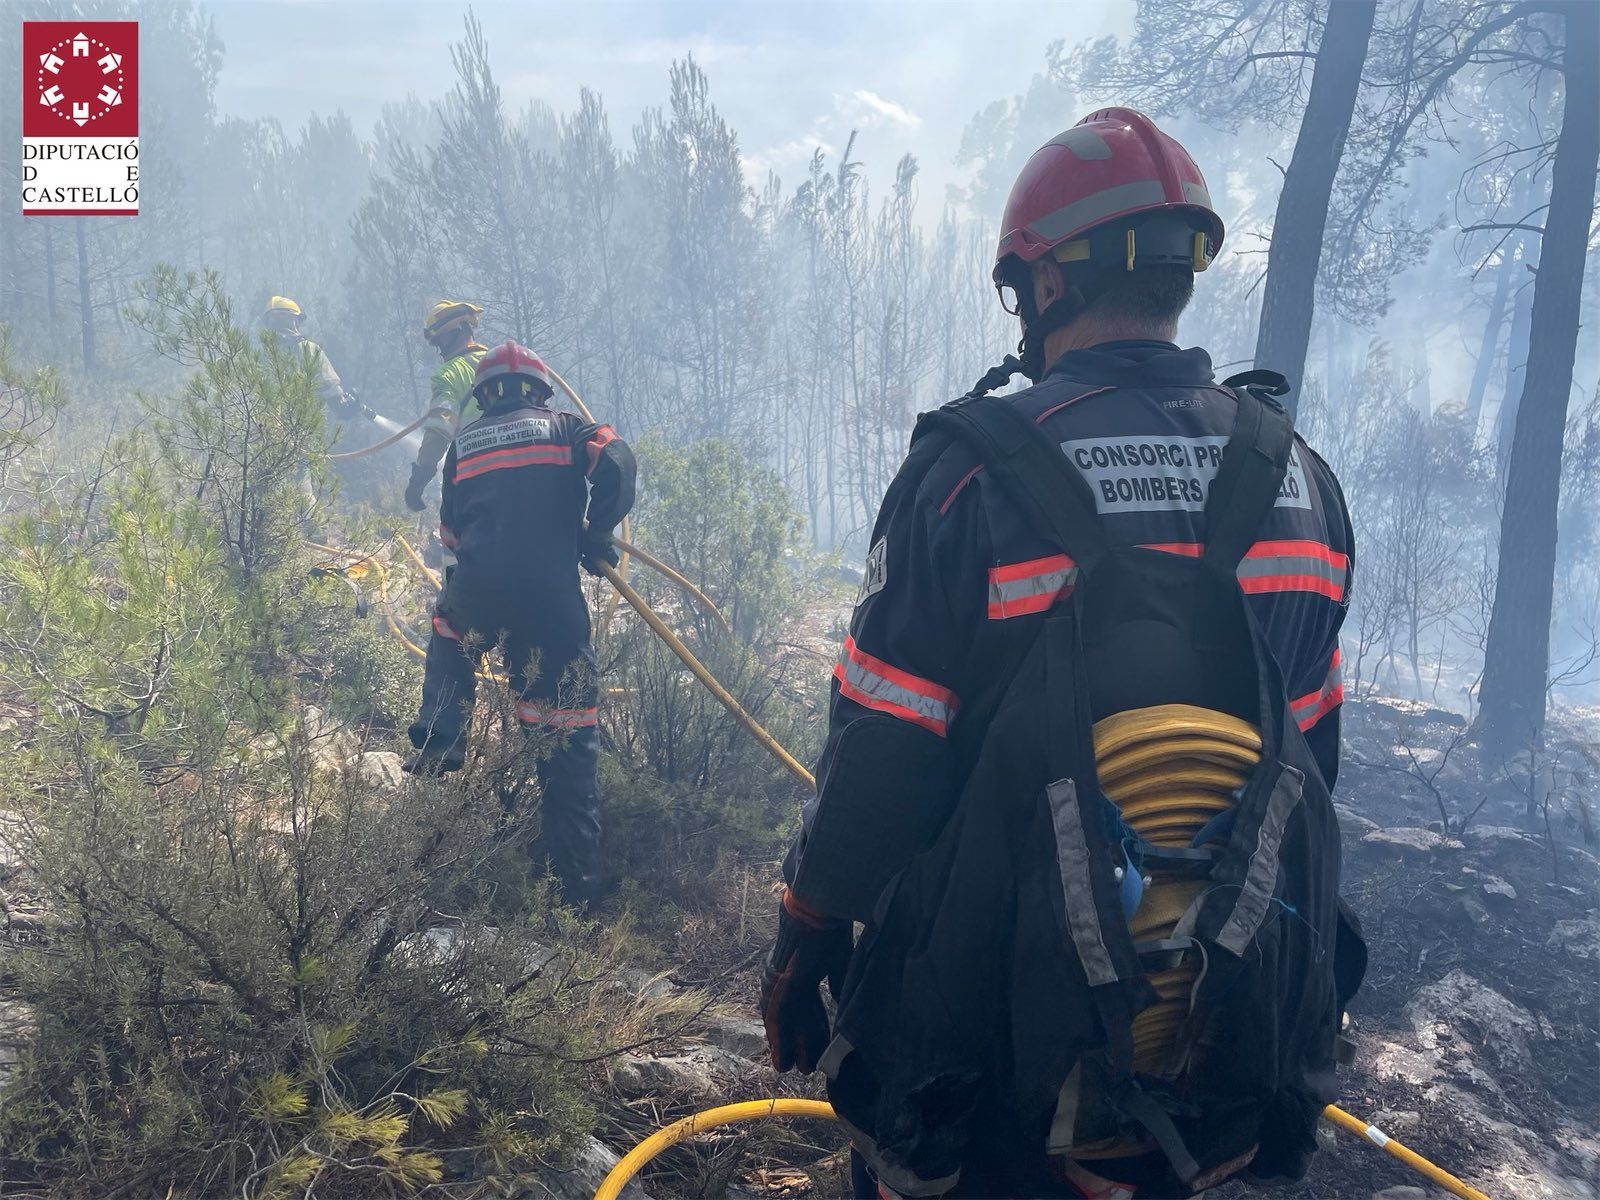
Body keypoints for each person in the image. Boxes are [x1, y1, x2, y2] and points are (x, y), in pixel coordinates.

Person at [763, 108, 1361, 1198]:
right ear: (1180, 271)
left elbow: (884, 757)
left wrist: (807, 928)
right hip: (1225, 1048)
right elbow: (1309, 768)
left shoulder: (967, 476)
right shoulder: (1303, 485)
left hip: (989, 1069)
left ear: (1044, 285)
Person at [403, 340, 635, 911]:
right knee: (566, 736)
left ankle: (441, 738)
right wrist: (595, 531)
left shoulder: (463, 447)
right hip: (551, 607)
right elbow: (620, 461)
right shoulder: (567, 429)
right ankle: (573, 895)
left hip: (480, 593)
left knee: (449, 627)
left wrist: (480, 571)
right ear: (539, 388)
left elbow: (451, 535)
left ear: (482, 396)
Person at [406, 300, 489, 514]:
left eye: (439, 341)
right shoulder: (500, 362)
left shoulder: (449, 374)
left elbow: (439, 430)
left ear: (455, 331)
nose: (439, 349)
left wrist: (420, 478)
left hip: (476, 473)